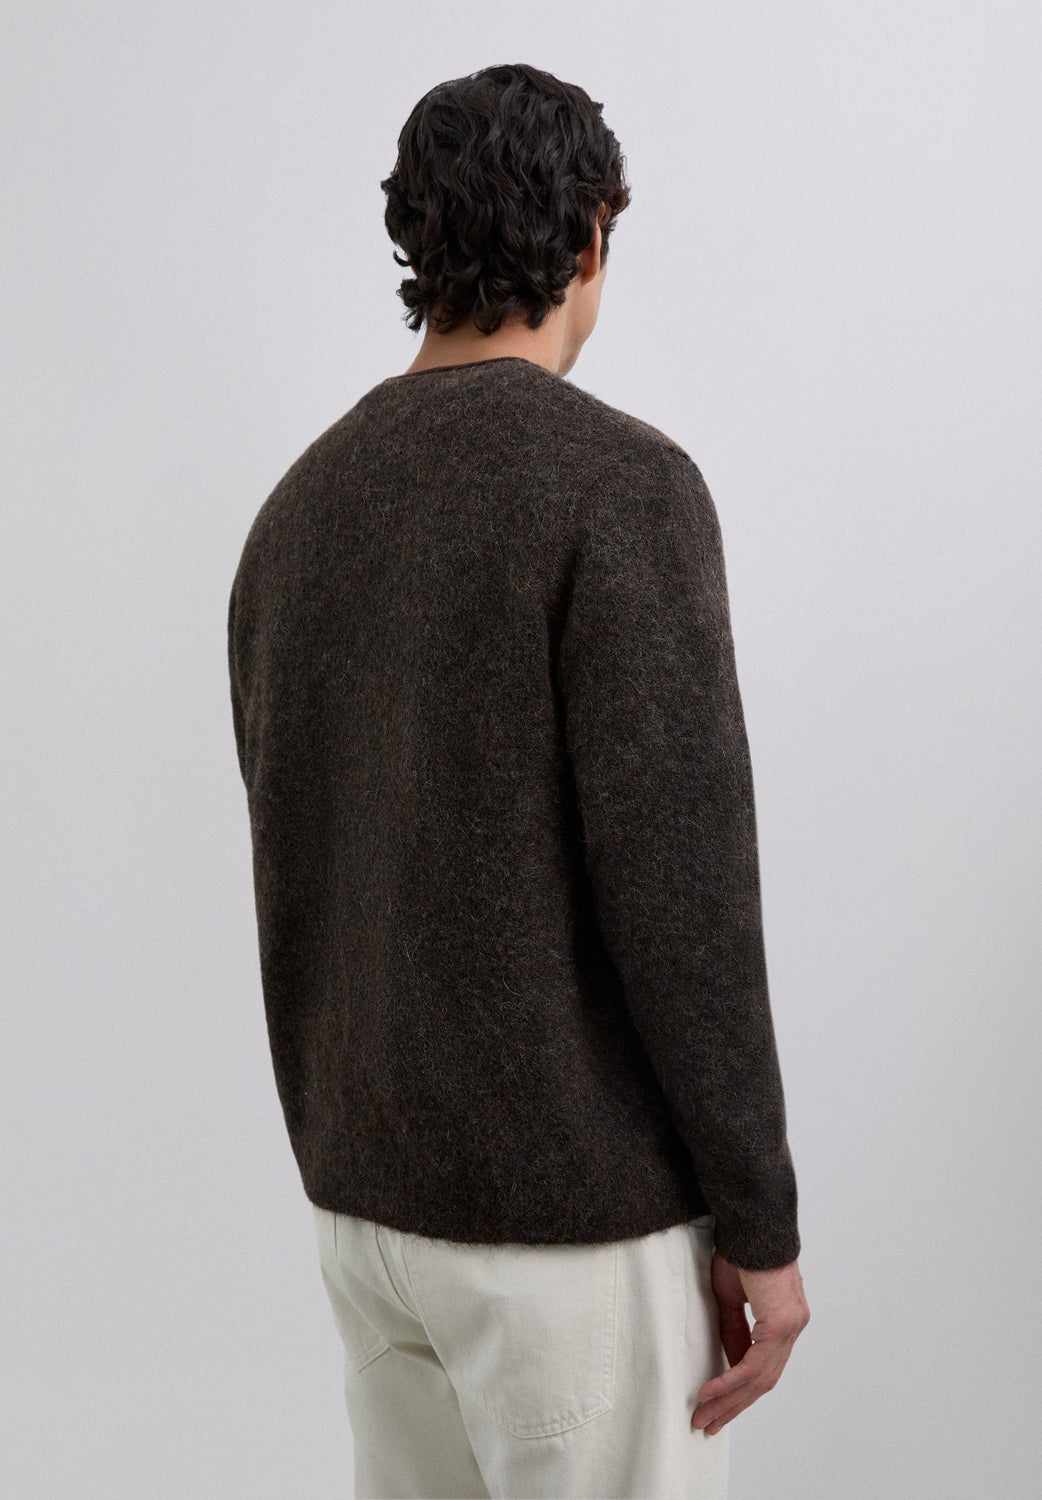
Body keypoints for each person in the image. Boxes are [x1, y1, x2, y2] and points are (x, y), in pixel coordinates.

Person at [227, 61, 809, 1500]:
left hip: (369, 1212)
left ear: (418, 245)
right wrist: (760, 1220)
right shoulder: (619, 488)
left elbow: (299, 854)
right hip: (565, 1227)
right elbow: (683, 891)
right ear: (590, 237)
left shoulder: (295, 512)